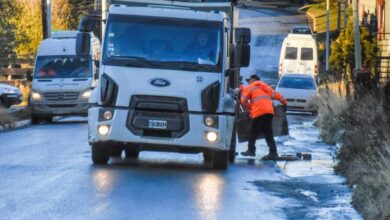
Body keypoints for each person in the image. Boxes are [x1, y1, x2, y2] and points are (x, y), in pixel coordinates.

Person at [240, 74, 288, 160]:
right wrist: (284, 103)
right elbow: (278, 96)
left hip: (259, 112)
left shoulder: (250, 87)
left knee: (253, 132)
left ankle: (251, 150)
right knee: (268, 133)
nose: (248, 82)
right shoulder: (266, 87)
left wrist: (250, 108)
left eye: (249, 80)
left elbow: (243, 100)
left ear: (253, 80)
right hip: (269, 112)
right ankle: (273, 153)